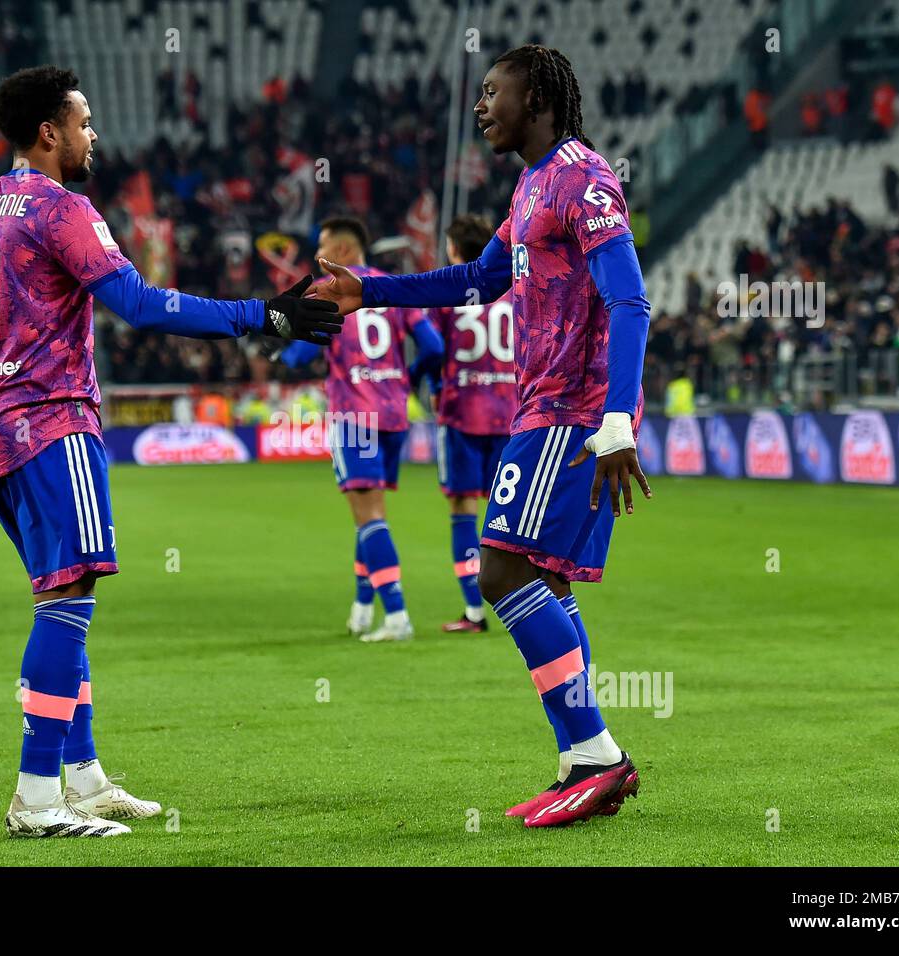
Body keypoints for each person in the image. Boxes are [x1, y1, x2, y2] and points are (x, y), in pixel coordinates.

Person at [0, 66, 340, 838]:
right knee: (67, 600)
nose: (93, 137)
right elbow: (139, 305)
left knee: (61, 596)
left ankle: (82, 777)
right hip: (52, 422)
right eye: (83, 124)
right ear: (49, 132)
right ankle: (36, 799)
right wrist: (263, 316)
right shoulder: (61, 208)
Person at [313, 45, 652, 827]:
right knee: (547, 579)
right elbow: (477, 280)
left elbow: (630, 301)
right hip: (546, 403)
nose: (480, 106)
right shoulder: (532, 184)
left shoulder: (583, 177)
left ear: (535, 98)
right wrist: (371, 291)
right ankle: (580, 760)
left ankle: (598, 752)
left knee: (499, 570)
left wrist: (614, 419)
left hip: (572, 407)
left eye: (493, 92)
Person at [276, 217, 444, 642]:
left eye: (324, 246)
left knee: (367, 516)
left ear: (346, 252)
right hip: (393, 414)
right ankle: (363, 608)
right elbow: (434, 347)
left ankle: (398, 616)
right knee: (371, 516)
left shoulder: (332, 289)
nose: (319, 256)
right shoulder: (393, 287)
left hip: (354, 416)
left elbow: (297, 355)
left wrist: (280, 344)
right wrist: (408, 376)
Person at [419, 214, 517, 634]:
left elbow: (431, 347)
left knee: (463, 511)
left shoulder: (450, 294)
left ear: (456, 250)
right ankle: (523, 608)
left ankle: (474, 612)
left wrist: (428, 382)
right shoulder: (514, 293)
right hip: (513, 416)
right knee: (510, 519)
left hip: (461, 414)